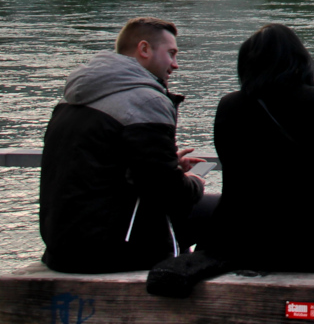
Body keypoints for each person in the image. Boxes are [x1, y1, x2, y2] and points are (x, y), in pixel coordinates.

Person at [40, 17, 208, 273]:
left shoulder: (73, 100)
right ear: (144, 49)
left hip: (61, 247)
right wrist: (194, 183)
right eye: (171, 53)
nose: (175, 64)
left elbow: (103, 168)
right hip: (111, 251)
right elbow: (165, 190)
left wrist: (170, 164)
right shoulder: (146, 100)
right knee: (222, 211)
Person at [202, 24, 314, 271]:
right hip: (309, 244)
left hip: (241, 243)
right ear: (299, 61)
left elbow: (233, 172)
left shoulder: (229, 105)